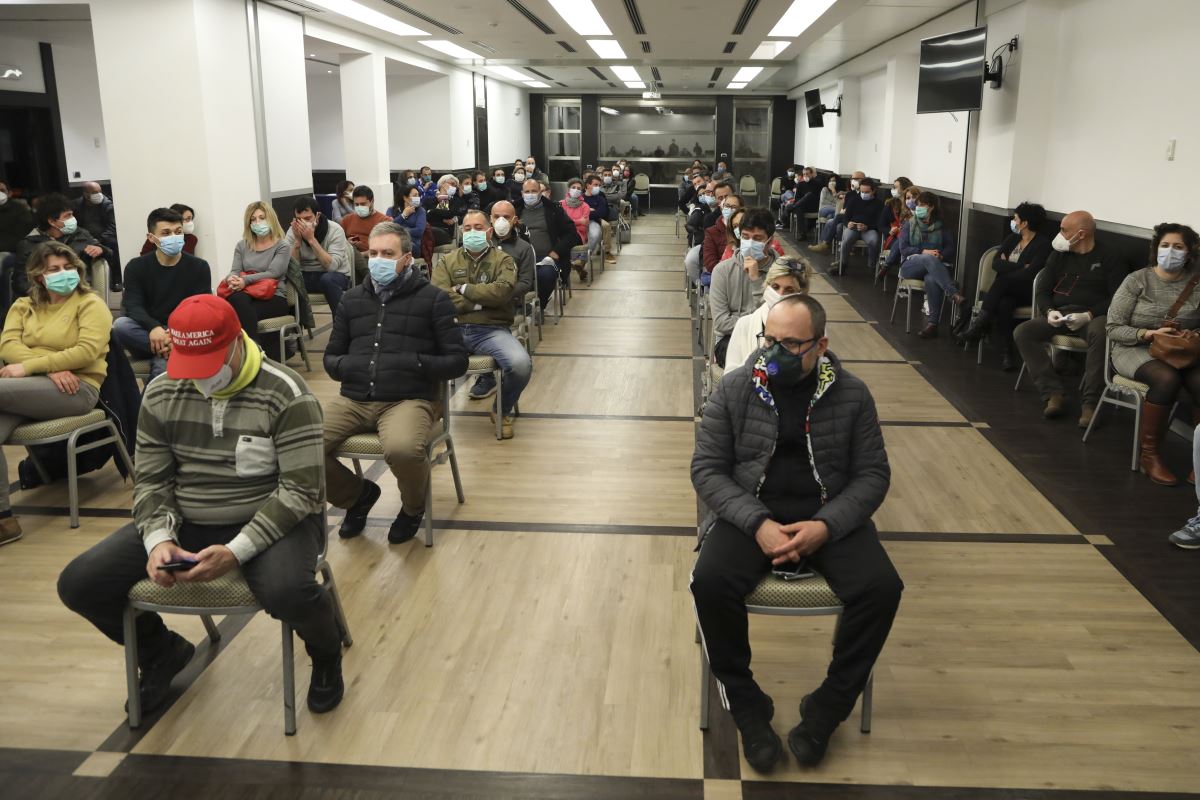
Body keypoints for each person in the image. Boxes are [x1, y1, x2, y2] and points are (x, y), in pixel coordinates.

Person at [57, 293, 348, 718]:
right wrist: (159, 539)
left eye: (208, 363)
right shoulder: (161, 391)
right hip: (188, 519)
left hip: (274, 520)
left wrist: (236, 551)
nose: (197, 378)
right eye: (186, 362)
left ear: (236, 341)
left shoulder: (284, 391)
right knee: (80, 583)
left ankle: (325, 653)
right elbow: (153, 481)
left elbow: (301, 491)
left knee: (288, 591)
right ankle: (161, 651)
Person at [691, 293, 901, 773]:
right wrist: (757, 523)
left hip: (828, 515)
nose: (774, 350)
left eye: (790, 343)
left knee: (881, 588)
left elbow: (873, 475)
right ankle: (747, 705)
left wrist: (826, 526)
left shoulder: (852, 394)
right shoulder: (736, 387)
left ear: (820, 344)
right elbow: (707, 469)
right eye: (769, 338)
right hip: (751, 514)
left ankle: (827, 707)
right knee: (710, 582)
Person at [323, 222, 468, 542]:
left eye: (387, 254)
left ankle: (413, 509)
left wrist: (414, 362)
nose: (378, 260)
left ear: (406, 258)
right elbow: (331, 359)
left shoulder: (433, 300)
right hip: (355, 399)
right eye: (373, 253)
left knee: (403, 449)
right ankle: (356, 496)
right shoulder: (351, 300)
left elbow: (458, 362)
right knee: (299, 446)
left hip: (407, 399)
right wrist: (350, 365)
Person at [0, 241, 112, 546]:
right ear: (39, 276)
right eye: (54, 269)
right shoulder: (23, 306)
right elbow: (8, 346)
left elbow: (86, 352)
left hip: (77, 389)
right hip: (32, 388)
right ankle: (4, 520)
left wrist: (29, 367)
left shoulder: (91, 304)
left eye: (68, 267)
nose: (64, 274)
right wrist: (45, 369)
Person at [1104, 223, 1200, 485]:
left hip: (1182, 350)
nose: (1171, 251)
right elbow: (1113, 328)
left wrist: (1191, 336)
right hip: (1135, 348)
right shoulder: (1136, 280)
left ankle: (1199, 461)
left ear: (1189, 253)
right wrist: (1148, 334)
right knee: (1167, 379)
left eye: (1178, 247)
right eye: (1165, 245)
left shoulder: (1197, 283)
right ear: (1156, 248)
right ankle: (1150, 455)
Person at [1013, 210, 1126, 425]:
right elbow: (1043, 289)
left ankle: (1090, 404)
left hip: (1094, 316)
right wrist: (1049, 311)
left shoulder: (1111, 257)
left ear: (1081, 234)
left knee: (1101, 332)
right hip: (1060, 313)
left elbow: (1117, 297)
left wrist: (1089, 314)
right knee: (1023, 332)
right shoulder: (1059, 255)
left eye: (1064, 230)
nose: (1060, 234)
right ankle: (1053, 392)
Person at [431, 210, 531, 439]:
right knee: (419, 360)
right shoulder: (447, 260)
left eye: (477, 228)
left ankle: (500, 409)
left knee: (520, 364)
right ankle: (431, 415)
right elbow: (438, 295)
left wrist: (463, 289)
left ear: (488, 231)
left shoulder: (503, 260)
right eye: (467, 228)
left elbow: (502, 292)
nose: (472, 232)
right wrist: (478, 304)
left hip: (490, 330)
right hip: (451, 328)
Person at [115, 208, 212, 383]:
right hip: (149, 332)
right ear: (152, 238)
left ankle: (169, 350)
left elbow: (201, 309)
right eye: (166, 233)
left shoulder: (199, 266)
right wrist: (154, 327)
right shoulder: (136, 267)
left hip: (185, 332)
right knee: (121, 325)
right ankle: (173, 349)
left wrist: (174, 336)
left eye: (178, 232)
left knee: (162, 364)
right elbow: (132, 305)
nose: (174, 237)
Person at [957, 202, 1053, 370]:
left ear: (1025, 223)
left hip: (1026, 290)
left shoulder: (1043, 244)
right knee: (1004, 304)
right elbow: (996, 263)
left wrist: (1008, 266)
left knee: (1002, 282)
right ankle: (1007, 354)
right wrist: (1020, 266)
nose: (1013, 222)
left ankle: (979, 326)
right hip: (1006, 292)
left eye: (1016, 219)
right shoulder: (1012, 238)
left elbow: (1031, 273)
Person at [710, 209, 778, 367]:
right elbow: (721, 323)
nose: (750, 242)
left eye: (758, 238)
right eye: (746, 237)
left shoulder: (781, 272)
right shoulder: (722, 271)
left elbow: (776, 319)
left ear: (770, 240)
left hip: (771, 339)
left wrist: (755, 280)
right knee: (753, 361)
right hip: (730, 339)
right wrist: (755, 322)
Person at [12, 193, 109, 301]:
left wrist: (101, 249)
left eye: (72, 214)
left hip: (80, 293)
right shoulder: (28, 245)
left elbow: (109, 254)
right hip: (46, 300)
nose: (72, 219)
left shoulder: (80, 234)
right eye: (67, 216)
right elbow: (20, 283)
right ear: (52, 221)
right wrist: (48, 292)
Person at [227, 201, 291, 361]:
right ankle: (255, 348)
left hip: (274, 296)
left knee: (238, 311)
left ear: (270, 219)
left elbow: (274, 273)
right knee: (237, 299)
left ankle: (249, 354)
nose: (257, 222)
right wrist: (232, 279)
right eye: (253, 219)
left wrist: (245, 280)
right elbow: (234, 270)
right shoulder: (242, 245)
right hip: (247, 295)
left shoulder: (282, 245)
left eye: (262, 218)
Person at [897, 191, 964, 339]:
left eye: (923, 205)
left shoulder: (941, 227)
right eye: (918, 204)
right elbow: (904, 249)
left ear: (931, 207)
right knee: (928, 258)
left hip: (935, 267)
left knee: (931, 279)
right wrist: (923, 251)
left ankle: (933, 324)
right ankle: (953, 293)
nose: (918, 207)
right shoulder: (910, 224)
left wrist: (941, 255)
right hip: (911, 265)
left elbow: (950, 248)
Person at [724, 258, 811, 370]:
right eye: (775, 287)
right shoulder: (744, 325)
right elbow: (731, 377)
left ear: (801, 294)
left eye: (789, 290)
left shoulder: (812, 327)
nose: (780, 294)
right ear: (767, 286)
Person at [516, 179, 580, 311]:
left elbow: (572, 234)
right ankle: (519, 307)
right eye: (527, 192)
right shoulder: (515, 209)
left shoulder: (554, 209)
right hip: (519, 258)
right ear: (522, 193)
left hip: (546, 258)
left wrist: (557, 251)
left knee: (546, 275)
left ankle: (539, 304)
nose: (530, 194)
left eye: (534, 191)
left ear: (540, 192)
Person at [286, 196, 351, 313]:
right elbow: (292, 268)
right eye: (298, 219)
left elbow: (332, 267)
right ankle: (295, 326)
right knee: (284, 280)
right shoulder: (292, 231)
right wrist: (297, 243)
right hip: (306, 275)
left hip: (335, 275)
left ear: (317, 216)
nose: (303, 223)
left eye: (307, 218)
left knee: (328, 279)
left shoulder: (335, 230)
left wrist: (311, 239)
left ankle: (340, 326)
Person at [340, 186, 391, 282]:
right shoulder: (347, 220)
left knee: (354, 266)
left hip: (373, 258)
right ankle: (369, 279)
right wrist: (348, 242)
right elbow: (339, 243)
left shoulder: (384, 221)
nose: (359, 207)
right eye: (356, 204)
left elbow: (387, 247)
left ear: (372, 202)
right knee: (350, 249)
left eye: (363, 204)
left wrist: (363, 254)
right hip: (349, 258)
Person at [835, 177, 885, 273]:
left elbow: (879, 223)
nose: (864, 194)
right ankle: (843, 264)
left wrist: (868, 227)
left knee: (874, 241)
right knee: (846, 240)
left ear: (873, 191)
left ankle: (872, 265)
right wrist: (848, 223)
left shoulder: (879, 204)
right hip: (853, 227)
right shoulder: (854, 200)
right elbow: (845, 217)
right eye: (862, 191)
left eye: (867, 192)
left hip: (869, 229)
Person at [809, 170, 865, 253]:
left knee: (837, 219)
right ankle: (824, 244)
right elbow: (845, 207)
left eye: (856, 179)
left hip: (859, 219)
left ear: (863, 180)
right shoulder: (850, 193)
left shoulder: (866, 193)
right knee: (830, 221)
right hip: (846, 217)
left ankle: (827, 244)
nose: (853, 181)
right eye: (852, 179)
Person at [74, 181, 119, 264]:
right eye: (95, 192)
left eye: (100, 191)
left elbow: (113, 227)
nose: (99, 194)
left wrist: (99, 241)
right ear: (86, 194)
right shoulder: (76, 205)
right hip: (84, 238)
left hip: (105, 240)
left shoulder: (108, 205)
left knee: (112, 242)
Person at [561, 178, 593, 282]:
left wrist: (569, 222)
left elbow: (585, 224)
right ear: (569, 189)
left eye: (579, 188)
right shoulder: (561, 204)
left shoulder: (585, 206)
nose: (576, 189)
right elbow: (559, 222)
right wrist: (578, 221)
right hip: (563, 233)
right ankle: (579, 266)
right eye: (573, 187)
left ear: (582, 191)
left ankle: (568, 273)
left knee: (567, 240)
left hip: (578, 234)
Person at [703, 194, 743, 272]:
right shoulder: (711, 232)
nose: (730, 209)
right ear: (722, 207)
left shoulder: (748, 230)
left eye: (734, 207)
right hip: (723, 274)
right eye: (727, 206)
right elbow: (710, 263)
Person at [585, 175, 617, 265]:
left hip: (597, 220)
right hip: (581, 220)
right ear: (588, 185)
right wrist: (589, 211)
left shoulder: (600, 197)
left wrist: (587, 212)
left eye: (599, 185)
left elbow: (601, 213)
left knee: (606, 226)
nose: (597, 187)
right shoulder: (581, 197)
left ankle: (606, 252)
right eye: (595, 185)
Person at [0, 179, 34, 253]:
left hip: (12, 252)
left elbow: (23, 237)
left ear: (9, 193)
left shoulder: (20, 210)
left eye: (2, 190)